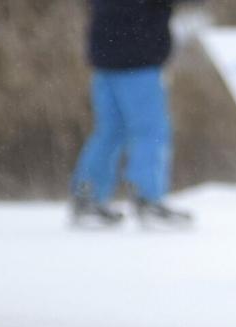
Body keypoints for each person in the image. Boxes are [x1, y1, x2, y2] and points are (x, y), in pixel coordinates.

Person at [69, 0, 198, 229]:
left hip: (105, 55)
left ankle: (88, 195)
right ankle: (148, 198)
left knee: (110, 132)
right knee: (151, 131)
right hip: (137, 57)